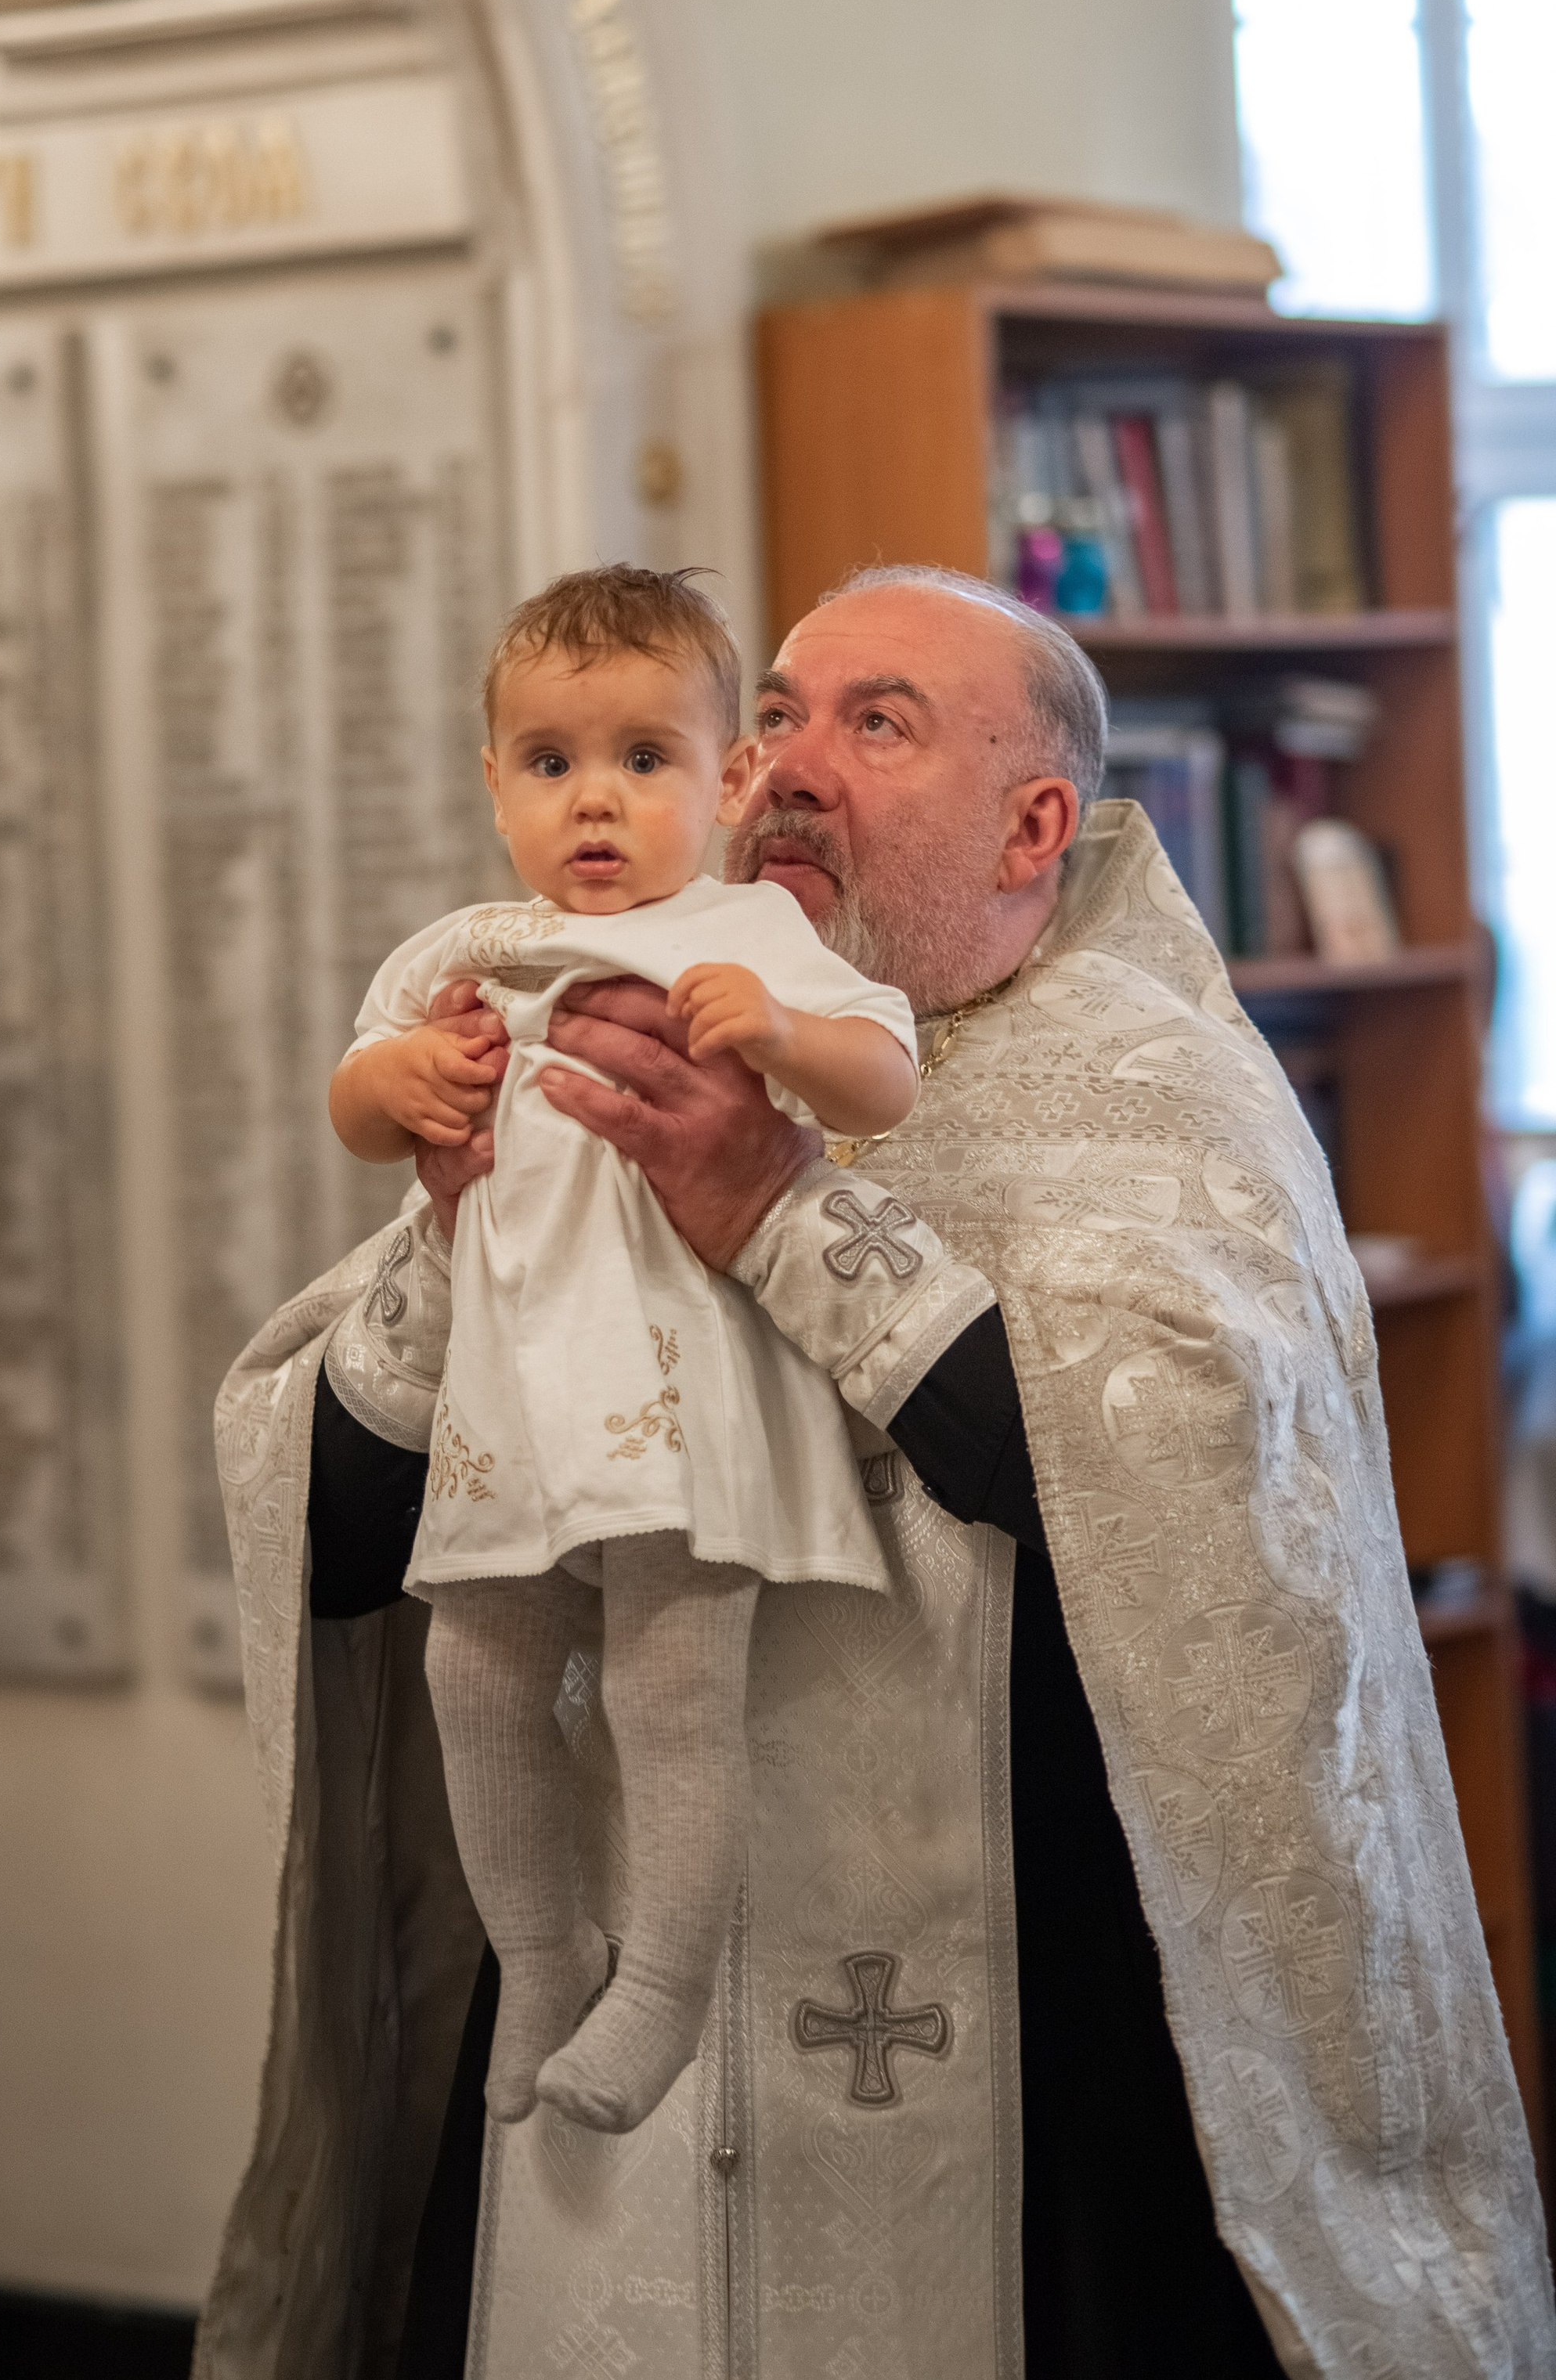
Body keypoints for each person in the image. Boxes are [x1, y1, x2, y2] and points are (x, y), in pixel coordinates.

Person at [201, 566, 1553, 2380]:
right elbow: (340, 1536)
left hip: (1023, 2037)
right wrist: (456, 1243)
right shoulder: (583, 1025)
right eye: (773, 710)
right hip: (596, 2076)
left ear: (1031, 824)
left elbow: (1184, 1545)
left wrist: (774, 1210)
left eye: (877, 723)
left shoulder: (1156, 1105)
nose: (787, 764)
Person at [329, 567, 925, 2136]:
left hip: (679, 1393)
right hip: (515, 1393)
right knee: (472, 1670)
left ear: (728, 782)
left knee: (671, 1691)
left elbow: (884, 1077)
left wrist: (779, 1035)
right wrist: (406, 1081)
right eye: (551, 762)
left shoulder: (744, 932)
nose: (594, 800)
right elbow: (351, 1104)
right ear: (493, 784)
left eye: (643, 758)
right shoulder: (464, 950)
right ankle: (544, 1953)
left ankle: (660, 1985)